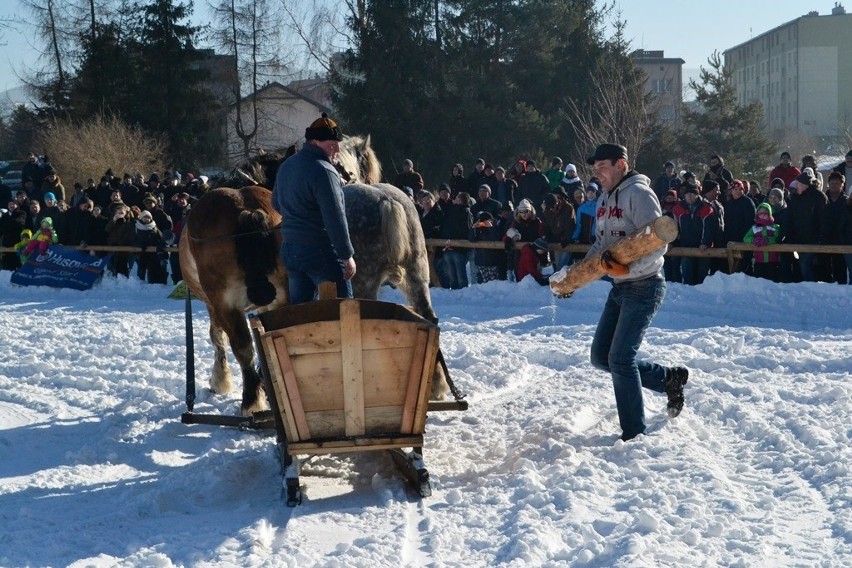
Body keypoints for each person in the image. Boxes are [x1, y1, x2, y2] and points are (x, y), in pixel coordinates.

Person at [584, 143, 689, 442]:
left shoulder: (640, 194)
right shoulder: (604, 199)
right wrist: (576, 275)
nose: (598, 174)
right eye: (595, 169)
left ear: (620, 164)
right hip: (620, 288)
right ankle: (668, 379)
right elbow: (600, 246)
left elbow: (659, 242)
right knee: (601, 356)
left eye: (602, 167)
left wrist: (626, 270)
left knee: (619, 357)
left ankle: (633, 434)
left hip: (645, 286)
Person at [272, 113, 356, 302]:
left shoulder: (287, 166)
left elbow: (275, 202)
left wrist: (297, 218)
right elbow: (335, 217)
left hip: (290, 249)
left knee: (302, 315)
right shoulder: (324, 171)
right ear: (315, 142)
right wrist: (346, 255)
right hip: (319, 250)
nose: (336, 149)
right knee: (343, 310)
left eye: (337, 144)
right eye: (332, 144)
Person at [671, 181, 717, 285]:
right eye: (687, 194)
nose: (690, 197)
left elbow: (709, 228)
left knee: (702, 276)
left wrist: (705, 242)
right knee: (687, 274)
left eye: (692, 194)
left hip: (702, 247)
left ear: (697, 195)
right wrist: (672, 242)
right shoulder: (678, 208)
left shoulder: (706, 208)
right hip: (686, 245)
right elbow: (674, 228)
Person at [786, 169, 827, 282]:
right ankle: (806, 286)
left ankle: (811, 285)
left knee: (805, 263)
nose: (797, 186)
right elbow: (792, 217)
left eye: (799, 184)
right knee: (800, 264)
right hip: (798, 237)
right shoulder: (795, 197)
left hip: (813, 237)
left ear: (805, 184)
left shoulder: (818, 196)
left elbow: (822, 218)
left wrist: (821, 236)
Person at [743, 203, 782, 282]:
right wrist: (754, 240)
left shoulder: (775, 227)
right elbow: (746, 238)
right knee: (759, 281)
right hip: (759, 260)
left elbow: (777, 238)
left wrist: (767, 240)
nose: (763, 216)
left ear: (769, 214)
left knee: (772, 281)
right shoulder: (754, 228)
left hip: (772, 260)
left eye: (765, 214)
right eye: (761, 214)